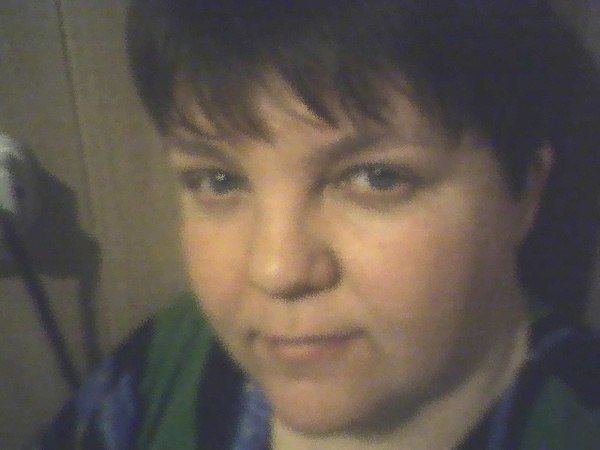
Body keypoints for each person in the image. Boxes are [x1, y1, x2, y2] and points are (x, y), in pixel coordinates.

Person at [35, 0, 600, 448]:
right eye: (219, 180)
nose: (276, 270)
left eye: (377, 177)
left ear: (523, 191)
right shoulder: (167, 361)